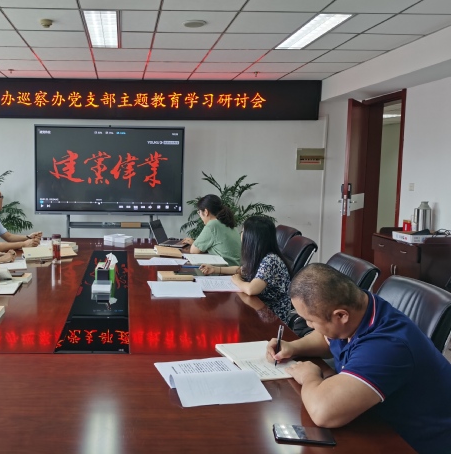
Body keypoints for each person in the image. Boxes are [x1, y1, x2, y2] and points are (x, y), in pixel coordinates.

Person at [267, 263, 451, 453]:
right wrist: (293, 347)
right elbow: (326, 338)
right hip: (373, 421)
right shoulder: (360, 307)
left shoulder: (387, 346)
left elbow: (323, 412)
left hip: (414, 443)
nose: (308, 325)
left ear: (341, 316)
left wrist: (309, 376)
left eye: (311, 320)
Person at [200, 216, 292, 324]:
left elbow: (251, 289)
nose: (241, 234)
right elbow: (241, 270)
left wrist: (237, 281)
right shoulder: (260, 255)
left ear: (252, 237)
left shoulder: (271, 260)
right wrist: (215, 269)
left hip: (273, 319)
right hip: (259, 310)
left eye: (243, 231)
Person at [0, 183, 42, 253]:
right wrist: (24, 244)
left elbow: (8, 236)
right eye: (1, 197)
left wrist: (28, 237)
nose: (2, 199)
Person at [181, 194, 241, 266]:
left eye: (199, 212)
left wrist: (195, 244)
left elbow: (193, 251)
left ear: (206, 212)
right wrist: (196, 243)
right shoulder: (227, 223)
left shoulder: (213, 225)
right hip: (233, 269)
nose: (199, 216)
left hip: (223, 270)